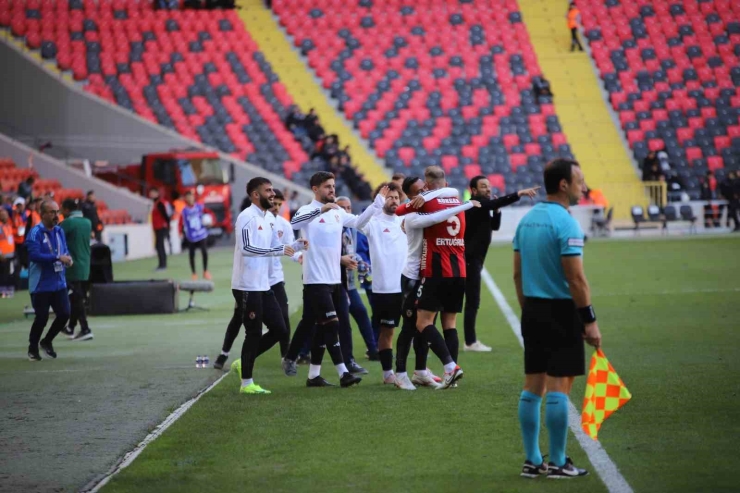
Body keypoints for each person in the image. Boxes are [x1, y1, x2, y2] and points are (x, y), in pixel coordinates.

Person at [513, 158, 601, 479]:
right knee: (560, 386)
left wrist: (528, 309)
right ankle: (559, 461)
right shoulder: (566, 223)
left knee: (533, 385)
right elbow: (575, 279)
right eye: (579, 180)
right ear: (563, 184)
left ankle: (533, 459)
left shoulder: (527, 220)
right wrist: (588, 320)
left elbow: (517, 274)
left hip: (533, 309)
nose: (583, 186)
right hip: (562, 311)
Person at [281, 171, 385, 387]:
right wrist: (321, 209)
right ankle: (343, 372)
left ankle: (310, 373)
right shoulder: (307, 210)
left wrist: (376, 206)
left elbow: (357, 222)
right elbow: (294, 223)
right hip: (315, 280)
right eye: (328, 186)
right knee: (332, 323)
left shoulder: (337, 212)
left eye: (333, 186)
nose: (332, 190)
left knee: (315, 323)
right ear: (316, 189)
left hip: (335, 280)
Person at [223, 177, 306, 394]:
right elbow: (246, 248)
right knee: (253, 332)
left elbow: (274, 247)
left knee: (280, 328)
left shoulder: (269, 218)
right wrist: (277, 251)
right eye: (268, 191)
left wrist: (294, 247)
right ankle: (247, 383)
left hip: (263, 284)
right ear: (255, 195)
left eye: (272, 190)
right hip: (246, 285)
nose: (272, 194)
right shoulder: (246, 217)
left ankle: (243, 362)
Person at [392, 176, 474, 389]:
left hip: (430, 273)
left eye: (426, 188)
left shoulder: (428, 205)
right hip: (412, 276)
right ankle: (400, 374)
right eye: (420, 190)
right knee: (410, 326)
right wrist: (467, 205)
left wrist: (434, 193)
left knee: (426, 326)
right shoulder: (412, 216)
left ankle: (420, 371)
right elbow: (438, 215)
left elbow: (450, 191)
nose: (425, 192)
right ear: (411, 196)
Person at [463, 176, 540, 352]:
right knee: (472, 301)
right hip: (470, 260)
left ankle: (467, 341)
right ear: (474, 191)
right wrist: (518, 193)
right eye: (483, 187)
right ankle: (469, 342)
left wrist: (497, 211)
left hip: (474, 260)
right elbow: (499, 203)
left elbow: (494, 227)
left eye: (489, 186)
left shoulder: (483, 206)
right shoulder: (474, 204)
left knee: (469, 301)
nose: (488, 189)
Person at [358, 182, 408, 385]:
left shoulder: (404, 221)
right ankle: (388, 373)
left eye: (396, 197)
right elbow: (358, 224)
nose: (394, 200)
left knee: (415, 329)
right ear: (381, 200)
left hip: (406, 286)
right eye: (389, 197)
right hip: (384, 288)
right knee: (387, 332)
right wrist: (376, 202)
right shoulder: (373, 223)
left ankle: (416, 370)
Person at [26, 200, 73, 361]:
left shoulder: (59, 231)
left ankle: (46, 341)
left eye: (57, 211)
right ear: (43, 214)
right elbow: (34, 256)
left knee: (65, 314)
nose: (56, 215)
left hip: (59, 282)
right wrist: (57, 257)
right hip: (41, 284)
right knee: (42, 317)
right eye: (52, 212)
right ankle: (32, 348)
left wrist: (68, 259)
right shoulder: (35, 233)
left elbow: (64, 250)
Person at [336, 195, 376, 372]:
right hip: (334, 282)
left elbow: (353, 252)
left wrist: (361, 262)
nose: (346, 211)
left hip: (349, 282)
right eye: (341, 208)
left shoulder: (351, 230)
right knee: (321, 321)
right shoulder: (332, 229)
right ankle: (299, 353)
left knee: (360, 312)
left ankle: (373, 350)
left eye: (348, 208)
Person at [266, 189, 299, 357]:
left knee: (284, 318)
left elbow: (291, 248)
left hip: (276, 279)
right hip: (256, 280)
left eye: (280, 204)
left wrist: (299, 257)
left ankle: (286, 356)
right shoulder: (258, 221)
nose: (277, 207)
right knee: (244, 320)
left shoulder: (284, 224)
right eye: (274, 203)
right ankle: (227, 352)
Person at [59, 199, 93, 341]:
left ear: (67, 209)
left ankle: (85, 328)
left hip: (72, 266)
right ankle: (71, 327)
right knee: (76, 297)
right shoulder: (87, 222)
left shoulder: (68, 223)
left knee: (76, 298)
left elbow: (55, 234)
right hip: (85, 264)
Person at [179, 190, 211, 281]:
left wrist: (211, 221)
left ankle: (205, 271)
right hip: (191, 236)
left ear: (193, 197)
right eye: (187, 197)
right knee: (191, 254)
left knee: (204, 251)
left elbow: (209, 214)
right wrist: (180, 232)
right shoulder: (184, 211)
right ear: (185, 199)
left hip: (201, 234)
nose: (189, 198)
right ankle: (194, 273)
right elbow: (181, 222)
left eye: (191, 196)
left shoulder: (200, 207)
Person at [150, 189, 171, 271]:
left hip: (161, 227)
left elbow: (165, 215)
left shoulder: (160, 203)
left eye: (153, 193)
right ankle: (161, 264)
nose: (151, 195)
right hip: (158, 228)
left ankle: (163, 265)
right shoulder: (156, 203)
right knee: (159, 246)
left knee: (160, 246)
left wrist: (167, 225)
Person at [0, 208, 15, 294]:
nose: (5, 216)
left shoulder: (8, 225)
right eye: (2, 215)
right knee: (3, 275)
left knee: (8, 274)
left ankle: (6, 291)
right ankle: (3, 292)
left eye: (6, 214)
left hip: (10, 255)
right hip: (3, 256)